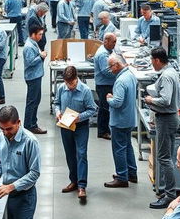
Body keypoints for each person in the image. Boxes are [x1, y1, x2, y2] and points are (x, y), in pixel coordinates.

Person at [145, 47, 180, 209]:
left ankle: (169, 195)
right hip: (168, 117)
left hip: (166, 119)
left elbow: (166, 100)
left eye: (152, 61)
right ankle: (168, 191)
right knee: (165, 156)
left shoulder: (166, 76)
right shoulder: (171, 72)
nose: (152, 64)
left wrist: (151, 100)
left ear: (157, 60)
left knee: (164, 158)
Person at [54, 66, 97, 203]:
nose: (69, 86)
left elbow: (92, 109)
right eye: (67, 83)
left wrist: (79, 117)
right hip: (65, 125)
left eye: (71, 83)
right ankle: (73, 181)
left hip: (80, 126)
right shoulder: (62, 88)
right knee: (70, 154)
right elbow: (56, 103)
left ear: (76, 79)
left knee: (81, 154)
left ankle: (82, 186)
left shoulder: (85, 91)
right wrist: (57, 112)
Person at [105, 54, 138, 188]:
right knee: (127, 146)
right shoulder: (130, 75)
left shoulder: (120, 81)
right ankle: (132, 173)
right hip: (129, 119)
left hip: (120, 121)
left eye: (110, 67)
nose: (110, 70)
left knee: (118, 149)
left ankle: (122, 177)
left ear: (117, 65)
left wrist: (109, 99)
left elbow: (117, 102)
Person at [92, 31, 118, 140]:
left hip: (106, 83)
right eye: (113, 42)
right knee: (104, 108)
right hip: (104, 84)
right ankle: (103, 131)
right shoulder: (103, 54)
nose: (115, 44)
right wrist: (119, 71)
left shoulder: (108, 50)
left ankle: (105, 129)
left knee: (105, 108)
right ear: (106, 41)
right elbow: (106, 72)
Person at [23, 24, 47, 135]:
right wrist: (41, 56)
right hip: (33, 77)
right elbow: (29, 62)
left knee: (36, 101)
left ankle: (33, 123)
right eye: (39, 34)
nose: (41, 36)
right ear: (33, 34)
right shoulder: (29, 46)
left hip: (36, 75)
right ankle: (29, 126)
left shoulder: (34, 43)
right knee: (32, 102)